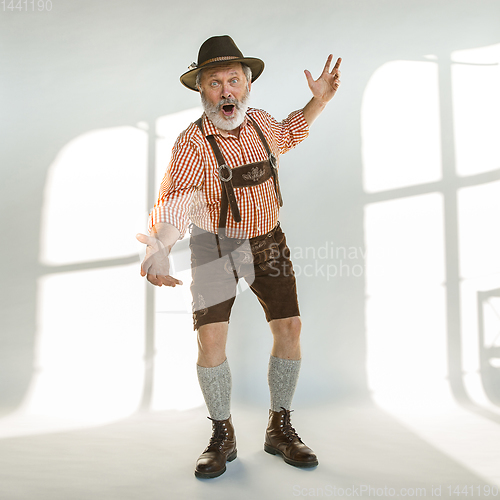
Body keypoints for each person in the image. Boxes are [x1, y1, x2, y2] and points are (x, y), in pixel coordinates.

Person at [136, 35, 341, 479]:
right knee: (211, 339)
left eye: (233, 80)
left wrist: (318, 102)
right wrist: (162, 245)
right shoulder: (193, 142)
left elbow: (290, 131)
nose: (226, 90)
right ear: (202, 91)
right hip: (214, 246)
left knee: (290, 326)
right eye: (215, 82)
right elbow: (176, 199)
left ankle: (279, 427)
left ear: (247, 86)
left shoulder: (263, 124)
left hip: (267, 240)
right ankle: (221, 433)